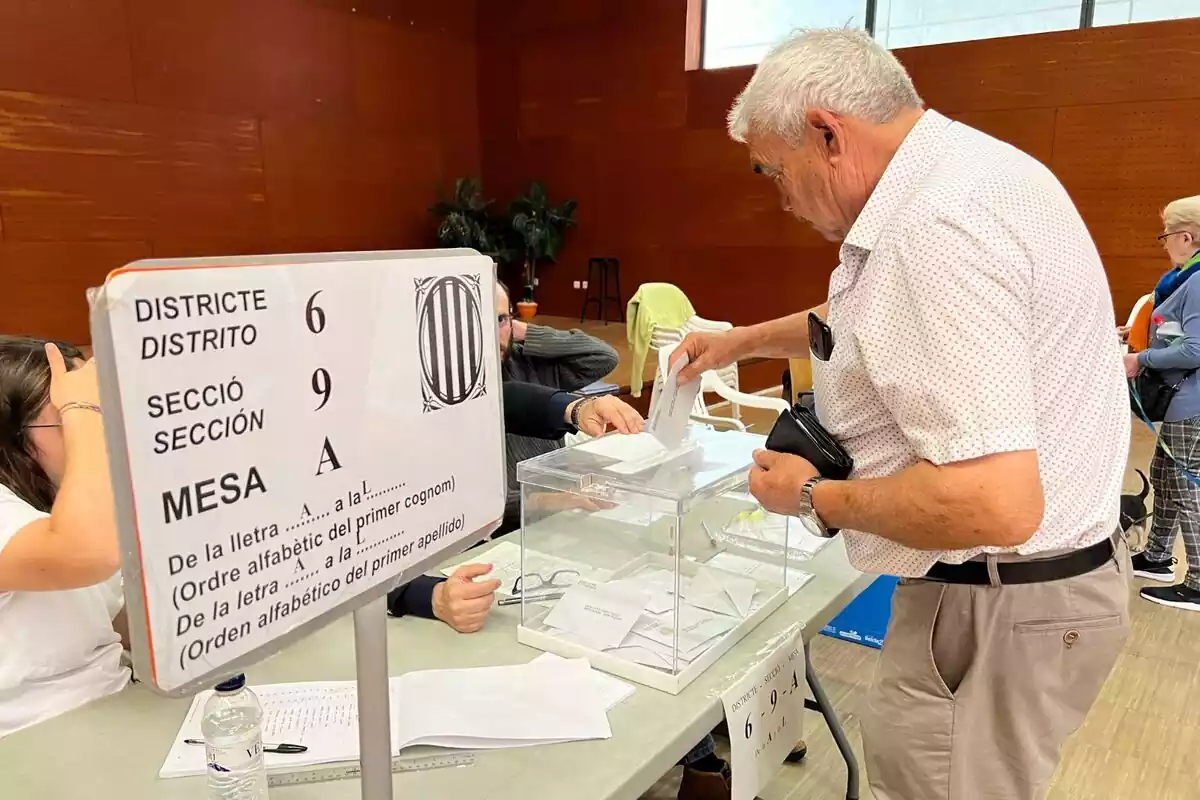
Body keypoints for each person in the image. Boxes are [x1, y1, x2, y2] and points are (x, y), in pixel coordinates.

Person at [671, 29, 1130, 800]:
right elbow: (878, 311)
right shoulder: (974, 174)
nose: (779, 198)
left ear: (827, 133)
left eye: (776, 172)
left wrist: (811, 498)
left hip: (993, 610)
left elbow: (995, 502)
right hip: (1043, 594)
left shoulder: (933, 231)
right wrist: (744, 340)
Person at [386, 385, 644, 632]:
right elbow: (355, 557)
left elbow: (501, 399)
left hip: (476, 570)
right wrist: (428, 595)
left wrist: (578, 408)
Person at [0, 336, 131, 737]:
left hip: (115, 705)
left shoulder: (74, 500)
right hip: (35, 736)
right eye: (71, 417)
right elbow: (88, 553)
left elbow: (124, 623)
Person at [1124, 195, 1200, 612]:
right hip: (1180, 400)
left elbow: (1195, 348)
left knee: (1187, 487)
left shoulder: (1199, 280)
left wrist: (1141, 359)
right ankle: (1156, 557)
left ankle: (1199, 581)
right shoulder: (1187, 278)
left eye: (1166, 236)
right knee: (1167, 477)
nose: (1164, 244)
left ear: (1186, 237)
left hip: (1192, 400)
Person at [497, 281, 619, 534]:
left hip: (565, 510)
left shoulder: (530, 360)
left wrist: (522, 332)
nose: (490, 333)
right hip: (515, 526)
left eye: (500, 319)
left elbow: (603, 357)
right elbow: (480, 507)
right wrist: (553, 501)